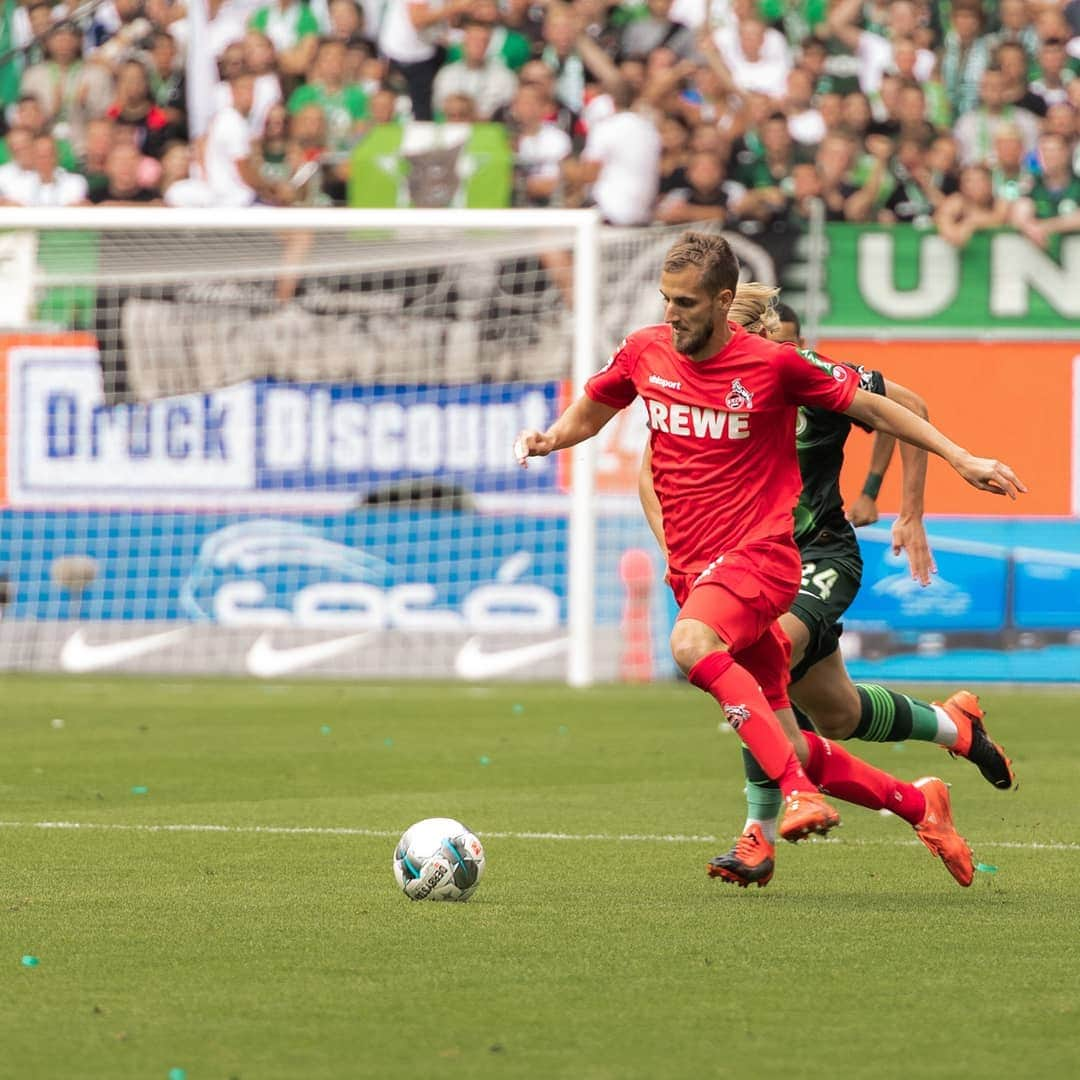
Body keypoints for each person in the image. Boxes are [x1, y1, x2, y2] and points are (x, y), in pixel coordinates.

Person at [514, 232, 1025, 886]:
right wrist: (554, 437)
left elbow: (879, 405)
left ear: (725, 302)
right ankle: (919, 801)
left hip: (770, 557)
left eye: (687, 303)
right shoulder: (647, 351)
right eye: (666, 300)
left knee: (691, 644)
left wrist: (959, 460)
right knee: (812, 725)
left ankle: (776, 813)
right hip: (700, 570)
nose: (672, 314)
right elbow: (602, 405)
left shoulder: (778, 365)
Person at [638, 288, 1016, 889]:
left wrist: (904, 507)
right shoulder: (705, 394)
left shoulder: (806, 376)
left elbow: (909, 405)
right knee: (837, 715)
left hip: (819, 556)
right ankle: (953, 730)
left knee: (762, 670)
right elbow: (650, 475)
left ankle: (759, 832)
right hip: (744, 564)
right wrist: (685, 559)